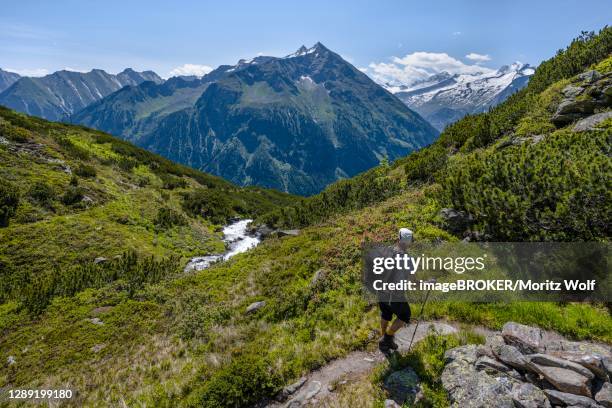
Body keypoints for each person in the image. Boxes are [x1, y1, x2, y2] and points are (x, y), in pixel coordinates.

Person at [378, 228, 413, 353]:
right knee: (405, 315)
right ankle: (386, 339)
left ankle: (384, 341)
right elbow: (412, 280)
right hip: (395, 295)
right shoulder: (407, 259)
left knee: (386, 314)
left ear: (398, 239)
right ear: (409, 243)